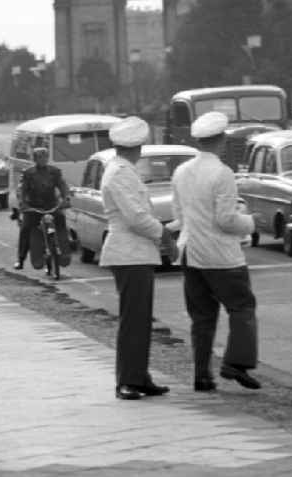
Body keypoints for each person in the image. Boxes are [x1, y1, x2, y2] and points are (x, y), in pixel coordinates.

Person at [171, 111, 261, 392]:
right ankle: (236, 362)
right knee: (242, 307)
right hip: (221, 255)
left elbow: (178, 215)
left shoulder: (181, 171)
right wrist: (250, 222)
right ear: (221, 141)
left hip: (190, 250)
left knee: (202, 316)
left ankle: (201, 374)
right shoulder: (222, 173)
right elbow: (226, 219)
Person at [99, 116, 176, 400]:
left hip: (135, 253)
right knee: (134, 319)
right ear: (139, 147)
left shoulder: (122, 170)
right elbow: (136, 218)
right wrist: (164, 235)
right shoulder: (120, 173)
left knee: (141, 319)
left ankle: (139, 375)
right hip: (129, 253)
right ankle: (128, 381)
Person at [14, 146, 71, 271]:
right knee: (25, 229)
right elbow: (22, 190)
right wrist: (22, 203)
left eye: (45, 157)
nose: (43, 159)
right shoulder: (28, 173)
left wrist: (66, 198)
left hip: (51, 205)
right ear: (35, 159)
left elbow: (62, 185)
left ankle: (66, 249)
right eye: (40, 157)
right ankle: (20, 259)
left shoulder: (55, 171)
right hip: (33, 207)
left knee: (61, 220)